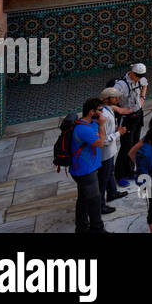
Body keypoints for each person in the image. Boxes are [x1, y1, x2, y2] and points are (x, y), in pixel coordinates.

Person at [66, 98, 107, 233]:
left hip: (84, 169)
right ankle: (97, 229)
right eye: (100, 110)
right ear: (91, 112)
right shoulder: (83, 129)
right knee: (95, 201)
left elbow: (100, 137)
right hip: (85, 172)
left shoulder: (89, 123)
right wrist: (101, 126)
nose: (102, 113)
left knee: (83, 199)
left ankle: (82, 227)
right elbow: (100, 143)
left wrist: (99, 129)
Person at [112, 63, 148, 185]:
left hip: (137, 116)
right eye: (137, 76)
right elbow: (109, 102)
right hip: (126, 118)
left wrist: (142, 98)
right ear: (132, 72)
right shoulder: (120, 85)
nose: (138, 78)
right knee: (125, 147)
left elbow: (145, 85)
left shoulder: (141, 79)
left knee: (135, 145)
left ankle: (130, 171)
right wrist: (121, 110)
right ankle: (119, 175)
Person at [97, 87, 128, 212]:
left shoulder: (108, 109)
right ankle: (100, 205)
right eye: (115, 97)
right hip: (105, 153)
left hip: (110, 150)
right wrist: (118, 134)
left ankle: (112, 193)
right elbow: (103, 140)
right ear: (106, 99)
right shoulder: (103, 115)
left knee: (110, 173)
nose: (118, 99)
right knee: (102, 179)